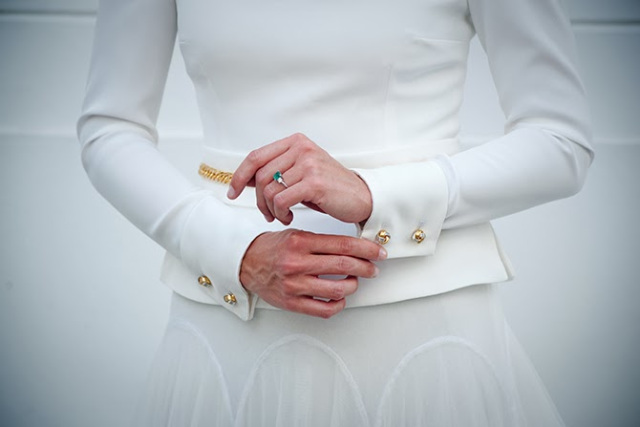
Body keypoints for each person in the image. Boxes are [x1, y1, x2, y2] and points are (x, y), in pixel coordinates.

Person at [78, 0, 593, 425]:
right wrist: (235, 252)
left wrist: (373, 193)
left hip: (427, 342)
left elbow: (559, 141)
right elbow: (110, 129)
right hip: (228, 326)